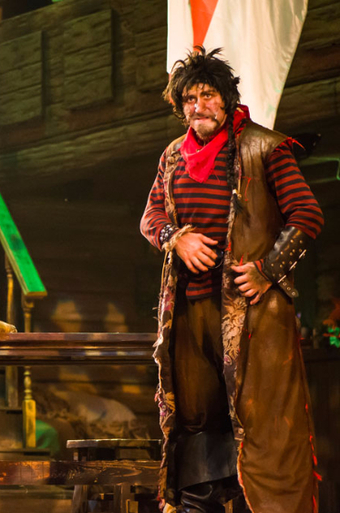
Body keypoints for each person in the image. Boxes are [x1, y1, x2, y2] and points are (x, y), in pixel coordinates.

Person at [140, 47, 323, 513]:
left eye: (207, 95)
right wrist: (175, 238)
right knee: (198, 419)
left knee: (262, 421)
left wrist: (266, 271)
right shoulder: (173, 156)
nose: (198, 106)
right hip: (190, 308)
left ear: (226, 98)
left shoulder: (265, 147)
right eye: (189, 99)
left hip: (252, 312)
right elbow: (151, 218)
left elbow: (307, 215)